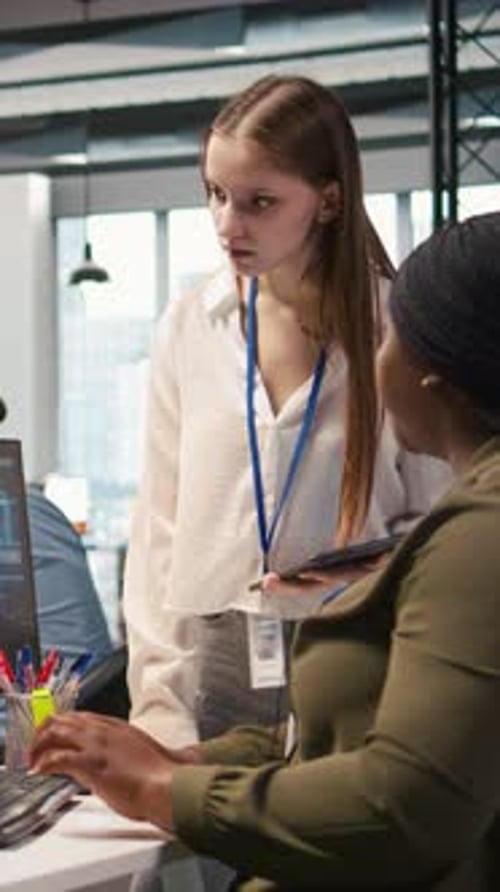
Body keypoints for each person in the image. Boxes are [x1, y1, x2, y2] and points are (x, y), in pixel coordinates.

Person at [32, 211, 500, 891]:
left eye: (391, 335)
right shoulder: (468, 519)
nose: (374, 355)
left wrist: (169, 788)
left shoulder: (479, 535)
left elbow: (404, 807)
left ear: (436, 375)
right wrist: (183, 760)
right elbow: (350, 733)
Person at [123, 74, 449, 754]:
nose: (226, 224)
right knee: (194, 859)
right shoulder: (191, 326)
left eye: (259, 202)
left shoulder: (397, 327)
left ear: (328, 201)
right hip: (217, 658)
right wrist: (158, 711)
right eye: (215, 194)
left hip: (358, 651)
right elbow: (159, 534)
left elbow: (446, 529)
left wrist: (367, 570)